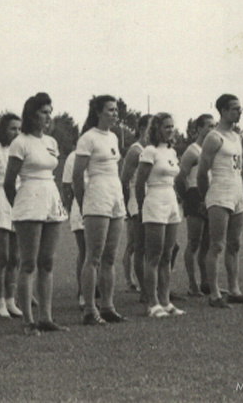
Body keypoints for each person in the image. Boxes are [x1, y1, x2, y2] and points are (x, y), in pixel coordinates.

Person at [4, 92, 69, 335]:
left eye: (50, 112)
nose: (48, 117)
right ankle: (28, 321)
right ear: (32, 115)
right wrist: (21, 206)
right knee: (28, 263)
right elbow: (9, 182)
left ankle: (46, 317)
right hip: (29, 200)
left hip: (50, 198)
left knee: (47, 262)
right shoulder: (20, 142)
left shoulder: (51, 142)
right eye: (43, 112)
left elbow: (52, 171)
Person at [197, 94, 243, 309]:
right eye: (235, 109)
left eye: (240, 109)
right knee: (217, 244)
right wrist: (206, 198)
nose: (239, 112)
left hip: (237, 192)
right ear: (223, 111)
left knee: (235, 244)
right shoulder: (214, 138)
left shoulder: (236, 136)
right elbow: (202, 172)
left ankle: (234, 290)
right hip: (220, 192)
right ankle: (214, 294)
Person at [74, 95, 127, 325]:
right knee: (93, 256)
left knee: (110, 257)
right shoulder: (88, 138)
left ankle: (108, 306)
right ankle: (89, 309)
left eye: (116, 110)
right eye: (110, 110)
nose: (115, 114)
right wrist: (84, 202)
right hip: (97, 196)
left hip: (115, 197)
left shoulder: (113, 136)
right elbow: (77, 175)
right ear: (98, 112)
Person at [135, 113, 185, 318]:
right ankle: (152, 303)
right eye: (166, 127)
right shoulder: (149, 151)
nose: (170, 130)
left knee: (167, 254)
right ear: (156, 129)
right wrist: (142, 208)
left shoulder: (172, 151)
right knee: (153, 255)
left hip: (171, 200)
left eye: (172, 126)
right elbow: (140, 183)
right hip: (155, 200)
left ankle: (165, 301)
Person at [0, 112, 24, 319]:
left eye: (19, 129)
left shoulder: (19, 151)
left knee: (15, 257)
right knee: (3, 256)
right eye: (12, 128)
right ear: (3, 130)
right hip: (1, 200)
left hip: (17, 200)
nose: (16, 132)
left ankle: (11, 300)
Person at [175, 113, 216, 296]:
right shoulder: (192, 151)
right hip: (194, 195)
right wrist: (187, 198)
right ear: (199, 129)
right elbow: (180, 177)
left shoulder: (212, 150)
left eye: (214, 126)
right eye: (209, 126)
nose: (212, 130)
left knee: (207, 243)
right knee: (194, 242)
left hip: (210, 194)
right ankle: (192, 284)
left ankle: (205, 282)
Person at [120, 114, 152, 302]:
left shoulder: (153, 149)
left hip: (151, 199)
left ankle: (151, 284)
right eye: (150, 127)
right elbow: (124, 180)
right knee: (135, 244)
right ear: (141, 129)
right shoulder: (135, 151)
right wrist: (128, 206)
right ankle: (132, 282)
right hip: (136, 200)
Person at [61, 145, 88, 309]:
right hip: (81, 206)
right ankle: (83, 292)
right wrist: (71, 208)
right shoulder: (73, 157)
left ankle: (94, 288)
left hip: (101, 203)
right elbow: (66, 185)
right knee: (84, 252)